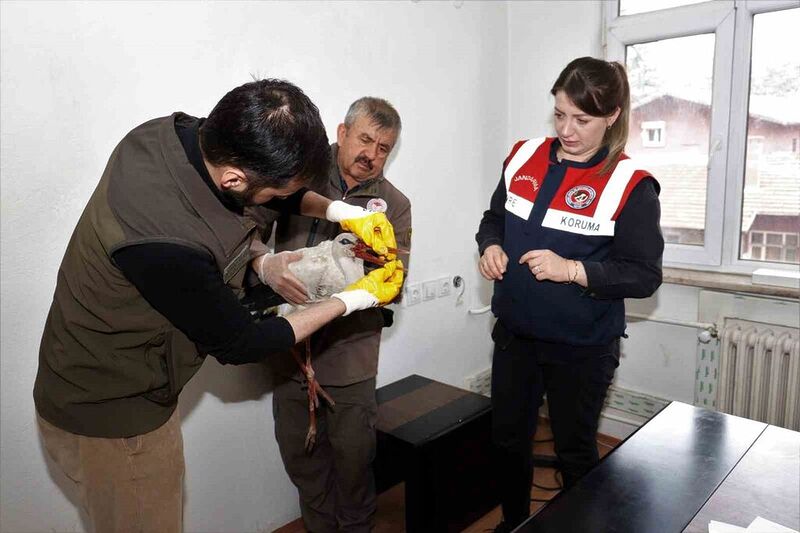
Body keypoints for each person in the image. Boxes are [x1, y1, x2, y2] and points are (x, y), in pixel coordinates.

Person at [33, 79, 402, 533]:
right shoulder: (167, 244)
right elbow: (240, 341)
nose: (279, 204)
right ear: (236, 179)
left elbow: (245, 209)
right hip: (114, 415)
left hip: (86, 382)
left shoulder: (166, 136)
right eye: (274, 194)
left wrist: (340, 213)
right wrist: (351, 299)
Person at [475, 57, 664, 531]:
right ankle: (515, 522)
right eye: (560, 114)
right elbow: (493, 218)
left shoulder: (631, 184)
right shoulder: (522, 156)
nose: (568, 129)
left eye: (582, 120)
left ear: (613, 116)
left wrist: (573, 270)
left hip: (581, 347)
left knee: (575, 449)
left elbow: (643, 276)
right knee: (508, 440)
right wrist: (490, 245)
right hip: (516, 336)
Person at [254, 97, 410, 532]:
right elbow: (246, 233)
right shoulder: (294, 174)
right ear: (342, 133)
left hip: (350, 355)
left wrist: (360, 281)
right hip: (291, 352)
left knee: (355, 463)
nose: (372, 155)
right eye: (365, 140)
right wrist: (266, 267)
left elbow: (394, 282)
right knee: (300, 458)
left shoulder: (393, 205)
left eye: (384, 148)